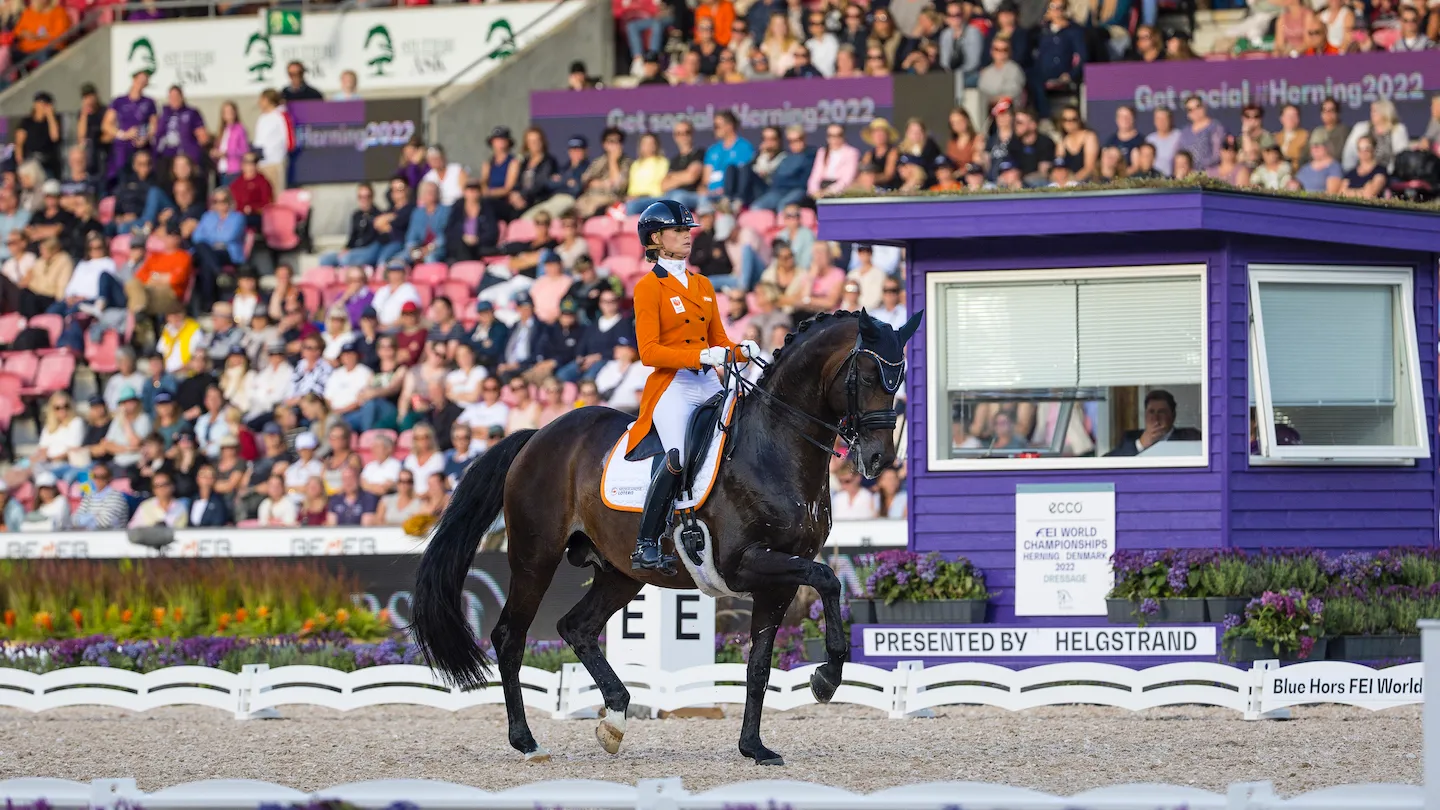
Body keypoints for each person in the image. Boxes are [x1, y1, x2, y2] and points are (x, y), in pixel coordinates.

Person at [626, 200, 759, 573]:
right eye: (679, 231)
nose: (687, 237)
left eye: (688, 231)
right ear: (656, 238)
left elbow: (719, 339)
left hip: (706, 381)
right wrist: (700, 357)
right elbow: (649, 352)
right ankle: (646, 542)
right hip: (673, 385)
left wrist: (742, 350)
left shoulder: (702, 284)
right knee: (678, 456)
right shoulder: (648, 288)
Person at [1105, 389, 1201, 456]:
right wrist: (1141, 444)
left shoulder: (1190, 436)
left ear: (1173, 415)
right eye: (1151, 412)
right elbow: (1106, 462)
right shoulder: (1130, 438)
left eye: (1161, 412)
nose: (1156, 418)